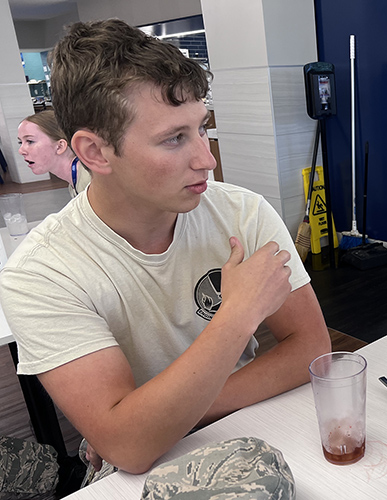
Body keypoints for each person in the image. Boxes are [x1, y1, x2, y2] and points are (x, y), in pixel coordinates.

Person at [0, 18, 331, 477]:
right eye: (174, 138)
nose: (206, 158)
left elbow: (312, 348)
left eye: (201, 128)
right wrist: (238, 314)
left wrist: (160, 419)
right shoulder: (42, 273)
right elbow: (130, 450)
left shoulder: (241, 213)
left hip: (254, 426)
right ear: (94, 152)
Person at [17, 110, 91, 197]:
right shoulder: (75, 182)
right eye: (20, 142)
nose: (21, 151)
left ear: (60, 146)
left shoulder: (89, 181)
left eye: (30, 141)